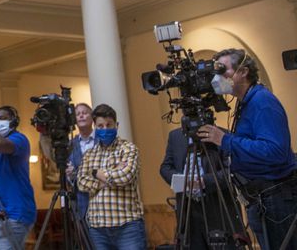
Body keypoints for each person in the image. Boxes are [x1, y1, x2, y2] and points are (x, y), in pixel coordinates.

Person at [197, 48, 296, 250]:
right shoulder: (245, 103)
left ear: (243, 71)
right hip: (260, 198)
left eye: (223, 70)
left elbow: (275, 151)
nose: (218, 77)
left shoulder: (262, 101)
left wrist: (225, 140)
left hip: (275, 197)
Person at [77, 103, 146, 250]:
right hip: (98, 228)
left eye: (109, 125)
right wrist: (111, 174)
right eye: (100, 126)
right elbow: (82, 182)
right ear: (95, 128)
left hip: (128, 226)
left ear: (117, 125)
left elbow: (125, 177)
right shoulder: (89, 154)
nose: (105, 129)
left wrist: (97, 173)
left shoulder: (128, 148)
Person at [160, 127, 239, 250]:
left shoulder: (221, 134)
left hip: (217, 206)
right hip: (188, 209)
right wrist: (182, 180)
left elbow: (231, 171)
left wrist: (205, 181)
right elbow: (165, 167)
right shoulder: (175, 136)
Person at [0, 105, 36, 250]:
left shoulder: (19, 139)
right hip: (0, 212)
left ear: (14, 121)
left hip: (15, 212)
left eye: (3, 118)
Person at [66, 102, 95, 220]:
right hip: (82, 205)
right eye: (78, 114)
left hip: (105, 201)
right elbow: (68, 180)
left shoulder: (103, 139)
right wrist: (69, 175)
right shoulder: (70, 145)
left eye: (84, 113)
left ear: (92, 117)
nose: (81, 116)